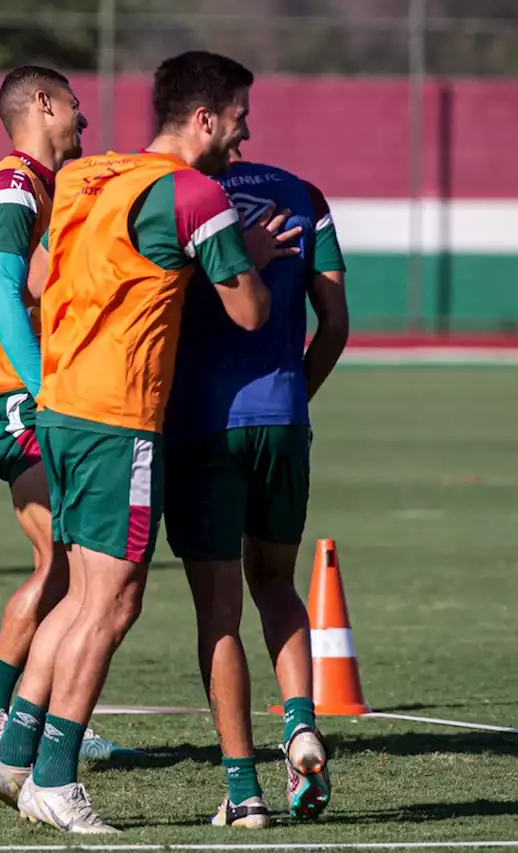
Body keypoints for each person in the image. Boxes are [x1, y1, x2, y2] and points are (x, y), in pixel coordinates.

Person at [0, 50, 297, 833]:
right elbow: (250, 312)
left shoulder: (91, 176)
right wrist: (246, 255)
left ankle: (12, 755)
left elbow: (44, 281)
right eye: (240, 122)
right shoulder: (199, 194)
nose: (244, 139)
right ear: (206, 119)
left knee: (79, 592)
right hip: (121, 417)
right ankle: (55, 778)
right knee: (113, 604)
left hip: (63, 407)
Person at [163, 145, 348, 827]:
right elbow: (337, 321)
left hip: (202, 427)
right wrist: (296, 396)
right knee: (276, 582)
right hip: (283, 419)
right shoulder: (304, 192)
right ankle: (300, 724)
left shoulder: (180, 196)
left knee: (219, 613)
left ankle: (243, 791)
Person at [0, 66, 125, 762]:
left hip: (37, 394)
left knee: (68, 563)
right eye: (75, 109)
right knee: (65, 559)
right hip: (19, 398)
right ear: (43, 105)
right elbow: (0, 293)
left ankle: (26, 713)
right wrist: (43, 388)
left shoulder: (50, 189)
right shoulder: (13, 186)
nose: (84, 123)